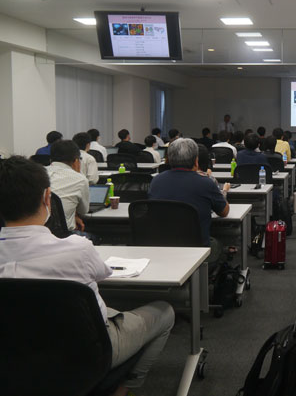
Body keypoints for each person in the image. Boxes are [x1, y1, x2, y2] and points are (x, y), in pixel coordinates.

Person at [0, 156, 175, 394]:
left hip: (13, 354)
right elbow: (104, 274)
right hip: (85, 354)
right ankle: (123, 390)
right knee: (164, 312)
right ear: (47, 197)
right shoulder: (77, 249)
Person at [148, 138, 230, 246]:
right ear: (196, 161)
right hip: (197, 249)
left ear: (169, 159)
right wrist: (224, 192)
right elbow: (224, 212)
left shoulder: (156, 181)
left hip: (163, 246)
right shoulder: (206, 183)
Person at [46, 140, 89, 232]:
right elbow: (83, 211)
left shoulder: (36, 173)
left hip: (37, 232)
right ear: (76, 160)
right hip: (64, 235)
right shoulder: (80, 179)